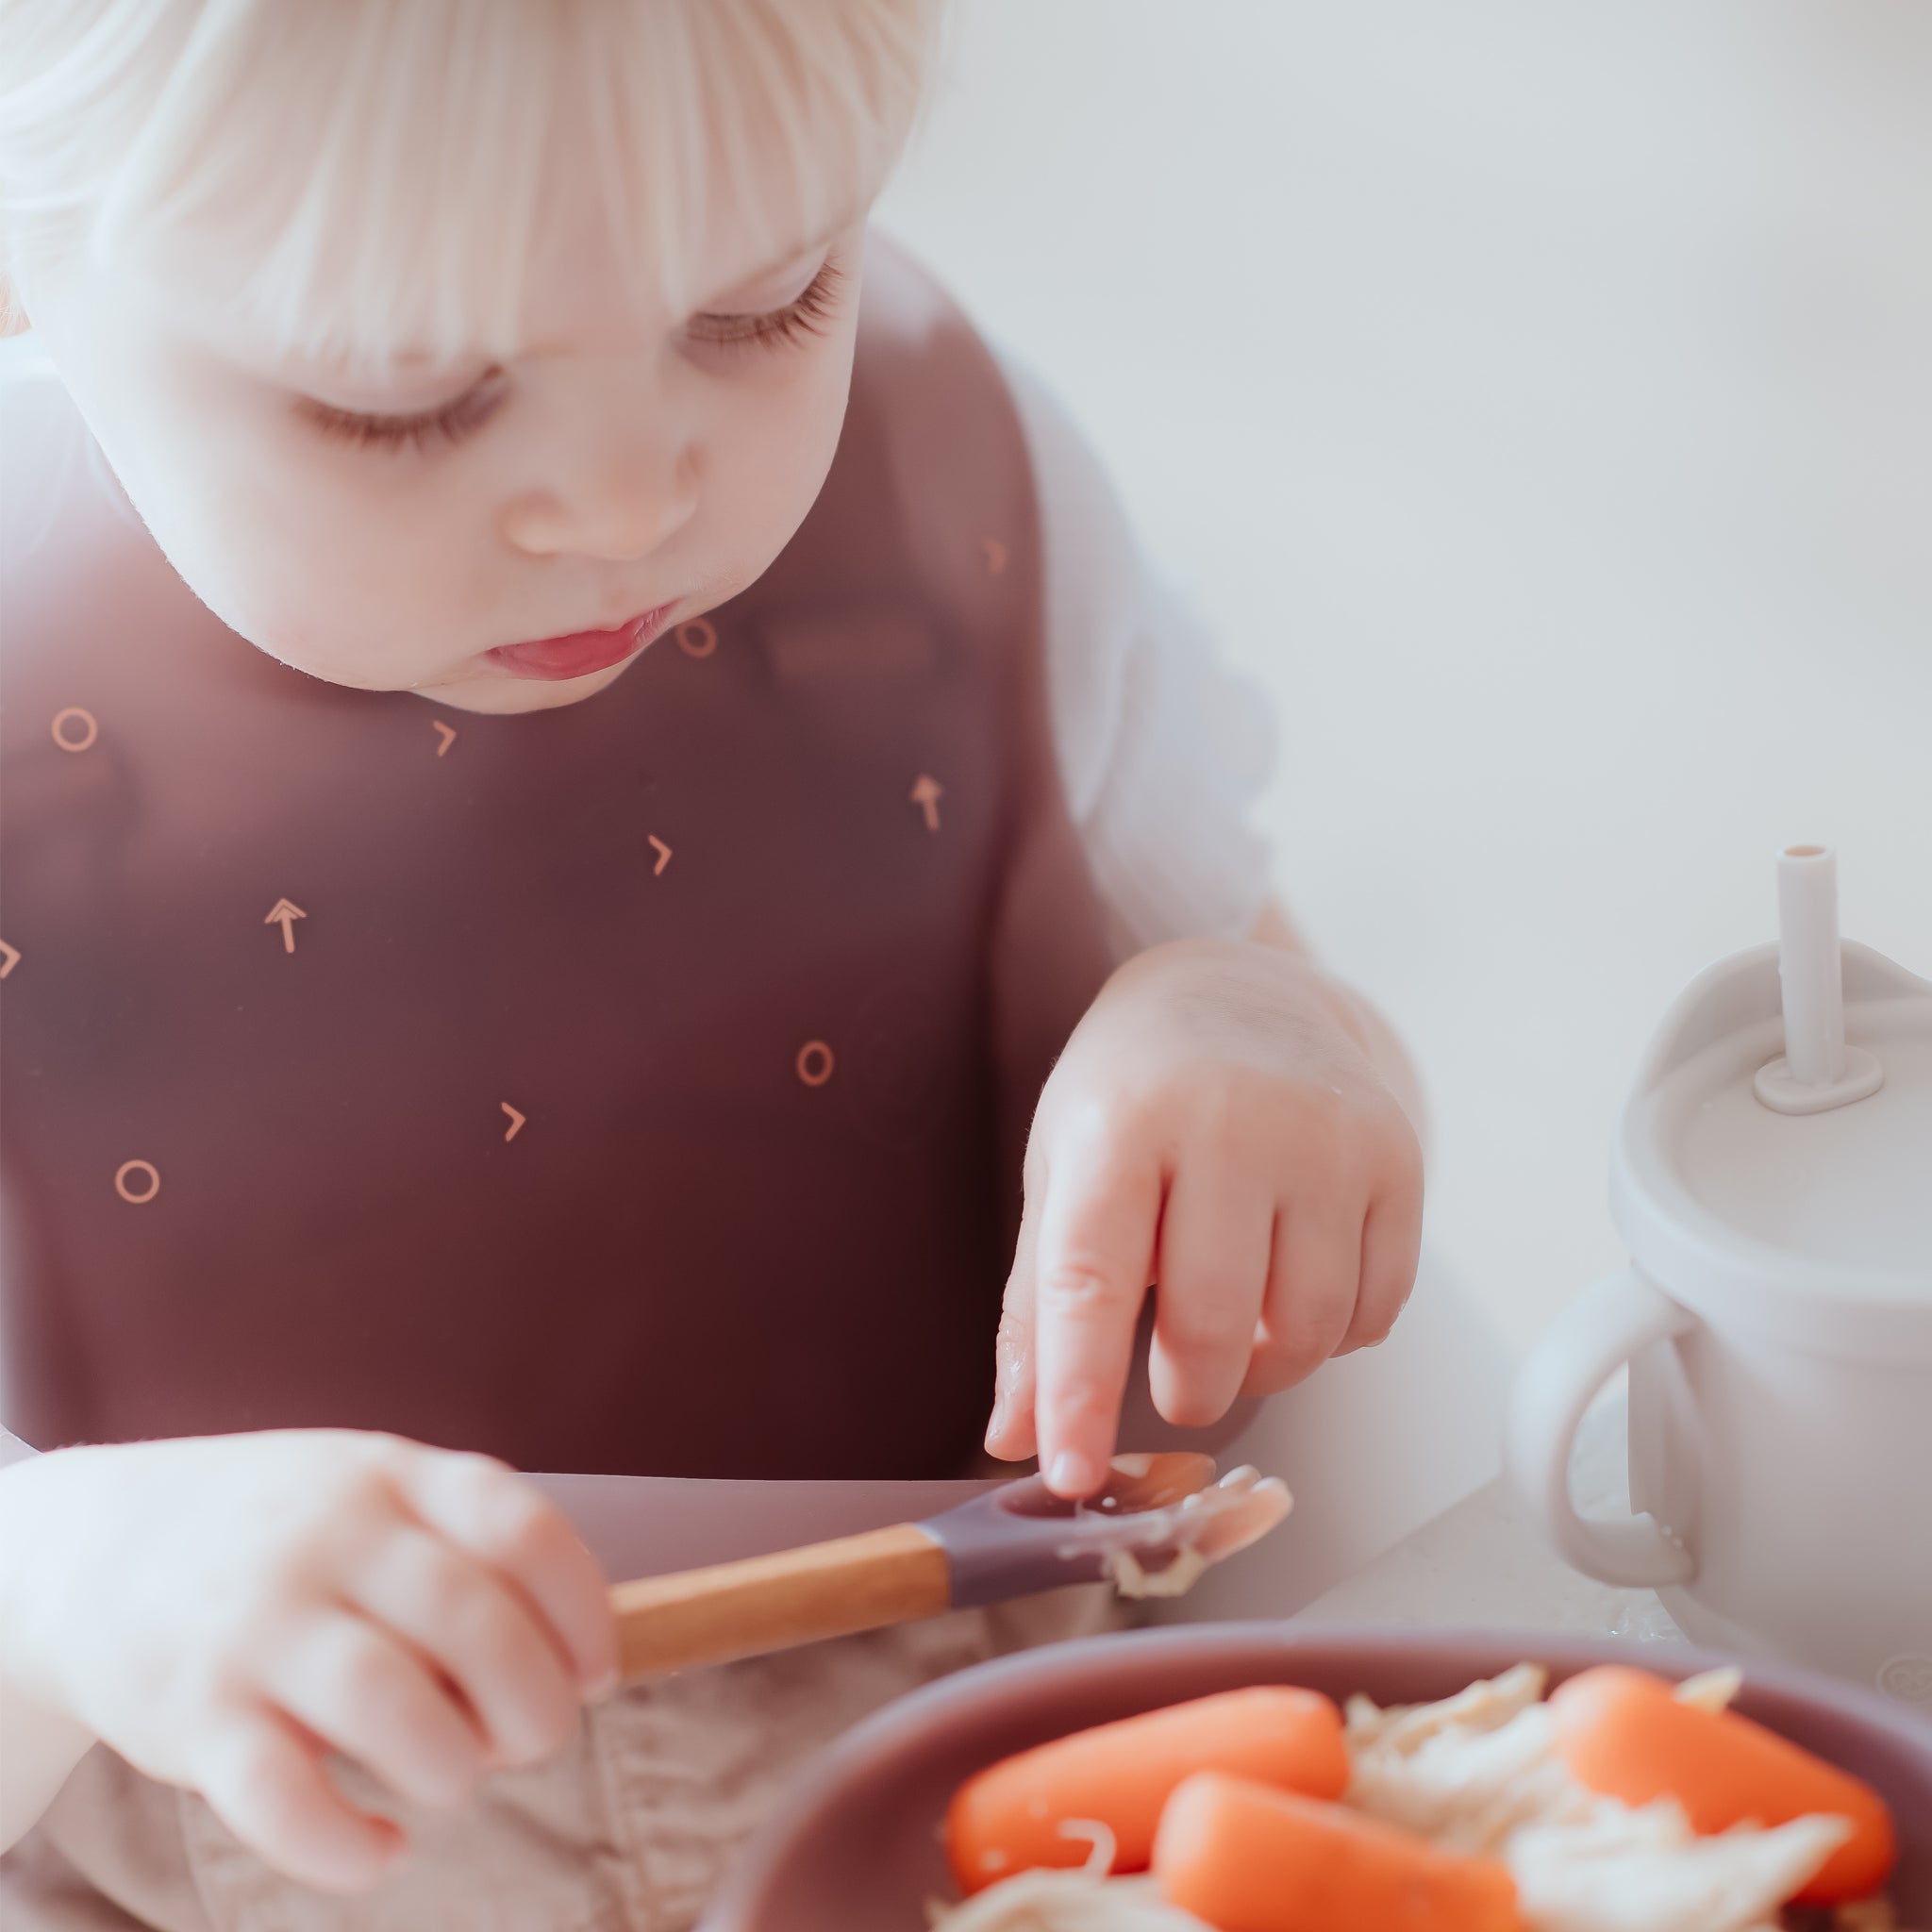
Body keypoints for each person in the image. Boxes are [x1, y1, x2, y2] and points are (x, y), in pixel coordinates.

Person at [0, 2, 1424, 1923]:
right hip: (272, 1833)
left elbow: (1263, 1002)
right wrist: (75, 1583)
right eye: (400, 399)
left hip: (1007, 1735)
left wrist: (1247, 1030)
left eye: (763, 304)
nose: (623, 504)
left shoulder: (951, 493)